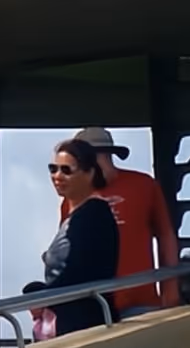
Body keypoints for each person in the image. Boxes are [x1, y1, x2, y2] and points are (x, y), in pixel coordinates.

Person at [59, 126, 176, 316]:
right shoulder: (72, 198)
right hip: (92, 306)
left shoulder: (144, 185)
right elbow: (65, 256)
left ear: (106, 155)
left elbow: (165, 236)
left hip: (141, 302)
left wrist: (170, 289)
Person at [34, 136, 127, 337]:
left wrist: (41, 295)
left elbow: (80, 272)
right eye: (53, 168)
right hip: (77, 322)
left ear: (89, 173)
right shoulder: (83, 214)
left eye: (66, 170)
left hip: (83, 326)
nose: (57, 176)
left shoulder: (92, 216)